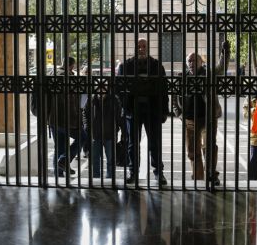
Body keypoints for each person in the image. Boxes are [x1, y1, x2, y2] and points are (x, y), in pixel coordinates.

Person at [172, 41, 230, 185]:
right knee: (193, 151)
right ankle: (198, 179)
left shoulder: (208, 74)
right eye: (189, 61)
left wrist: (225, 53)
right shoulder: (182, 77)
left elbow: (221, 67)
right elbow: (174, 98)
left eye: (194, 61)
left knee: (209, 147)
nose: (191, 63)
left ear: (200, 62)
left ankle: (211, 175)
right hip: (189, 119)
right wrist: (179, 114)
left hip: (208, 118)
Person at [117, 38, 169, 185]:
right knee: (132, 144)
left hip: (152, 110)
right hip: (132, 110)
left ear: (148, 47)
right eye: (139, 46)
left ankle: (159, 173)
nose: (141, 49)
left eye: (144, 46)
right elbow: (119, 88)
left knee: (155, 143)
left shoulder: (156, 65)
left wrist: (164, 111)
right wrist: (124, 106)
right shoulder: (125, 66)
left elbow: (164, 89)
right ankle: (133, 172)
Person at [47, 56, 81, 177]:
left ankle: (59, 173)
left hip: (53, 118)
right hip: (66, 118)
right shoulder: (67, 77)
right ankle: (64, 160)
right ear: (72, 65)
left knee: (59, 146)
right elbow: (70, 100)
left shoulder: (52, 73)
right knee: (83, 137)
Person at [82, 91, 125, 178]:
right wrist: (87, 126)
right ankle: (96, 179)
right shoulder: (92, 99)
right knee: (95, 160)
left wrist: (123, 131)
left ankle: (110, 179)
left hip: (110, 134)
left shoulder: (114, 99)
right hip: (95, 135)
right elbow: (85, 113)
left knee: (111, 160)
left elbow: (119, 116)